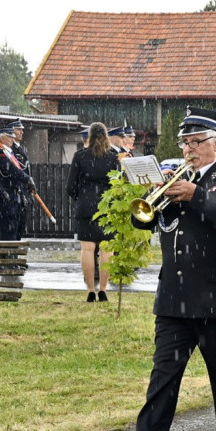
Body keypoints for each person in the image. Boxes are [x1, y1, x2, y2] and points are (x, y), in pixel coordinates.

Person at [110, 109, 216, 431]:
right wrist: (152, 195)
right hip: (173, 296)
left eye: (196, 142)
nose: (189, 150)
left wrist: (196, 195)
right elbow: (145, 222)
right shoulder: (175, 178)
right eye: (185, 143)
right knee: (163, 375)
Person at [65, 122, 119, 302]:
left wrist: (81, 197)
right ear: (106, 136)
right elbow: (117, 184)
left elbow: (70, 186)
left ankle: (90, 290)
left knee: (87, 249)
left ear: (90, 136)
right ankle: (103, 289)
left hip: (86, 206)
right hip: (107, 206)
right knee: (106, 248)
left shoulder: (80, 156)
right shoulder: (113, 157)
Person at [0, 127, 33, 242]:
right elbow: (10, 170)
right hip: (5, 195)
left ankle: (10, 255)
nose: (12, 139)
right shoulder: (1, 153)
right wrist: (27, 178)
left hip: (14, 195)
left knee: (16, 229)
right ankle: (7, 256)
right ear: (1, 138)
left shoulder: (9, 152)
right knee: (8, 230)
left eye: (12, 137)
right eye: (9, 137)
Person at [8, 120, 31, 240]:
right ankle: (10, 253)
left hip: (24, 192)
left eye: (22, 129)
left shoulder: (21, 149)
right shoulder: (10, 150)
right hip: (16, 190)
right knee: (13, 227)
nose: (22, 132)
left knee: (21, 225)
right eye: (19, 129)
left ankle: (14, 250)